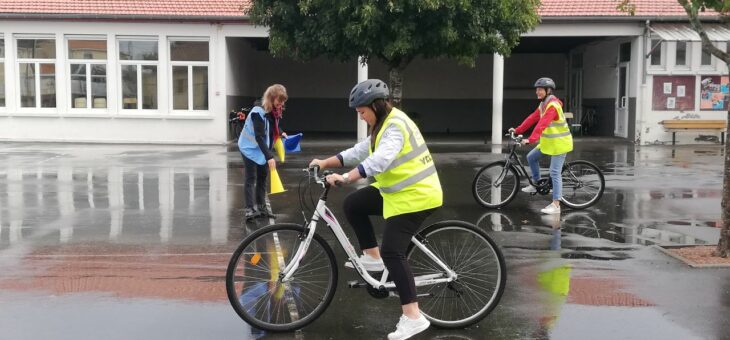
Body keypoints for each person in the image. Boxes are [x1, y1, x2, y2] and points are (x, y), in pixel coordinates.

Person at [309, 79, 442, 340]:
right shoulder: (380, 126)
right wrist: (325, 162)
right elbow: (361, 151)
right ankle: (372, 256)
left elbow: (379, 161)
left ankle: (413, 317)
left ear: (376, 105)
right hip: (397, 193)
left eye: (362, 112)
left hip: (417, 196)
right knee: (353, 204)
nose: (361, 117)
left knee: (394, 251)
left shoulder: (395, 125)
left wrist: (345, 178)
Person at [510, 77, 573, 215]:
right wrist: (518, 129)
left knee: (555, 172)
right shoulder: (544, 104)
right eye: (536, 89)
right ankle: (537, 184)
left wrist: (531, 139)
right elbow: (533, 118)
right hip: (549, 143)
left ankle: (556, 205)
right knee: (531, 157)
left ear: (548, 90)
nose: (537, 92)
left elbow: (542, 124)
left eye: (540, 89)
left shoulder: (553, 106)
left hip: (560, 144)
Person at [238, 84, 288, 220]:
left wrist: (282, 132)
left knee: (262, 176)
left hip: (261, 148)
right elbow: (259, 136)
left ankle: (261, 208)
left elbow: (274, 124)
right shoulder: (257, 112)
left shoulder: (274, 110)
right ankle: (249, 210)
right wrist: (269, 157)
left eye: (283, 101)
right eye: (279, 101)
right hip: (248, 147)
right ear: (271, 98)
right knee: (251, 178)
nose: (281, 104)